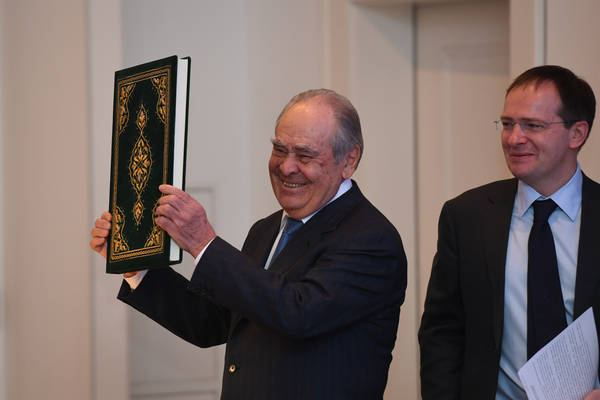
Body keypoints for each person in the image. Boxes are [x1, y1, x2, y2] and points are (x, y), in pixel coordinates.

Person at [91, 89, 407, 400]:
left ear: (349, 160)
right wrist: (137, 267)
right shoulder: (266, 230)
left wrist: (203, 243)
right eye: (280, 149)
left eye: (305, 155)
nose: (286, 166)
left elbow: (297, 313)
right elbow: (213, 322)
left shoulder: (371, 239)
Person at [419, 65, 600, 399]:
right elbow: (442, 332)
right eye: (507, 124)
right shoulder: (467, 216)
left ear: (577, 133)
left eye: (533, 125)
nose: (514, 138)